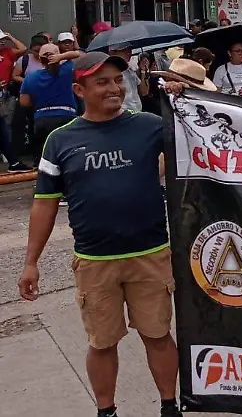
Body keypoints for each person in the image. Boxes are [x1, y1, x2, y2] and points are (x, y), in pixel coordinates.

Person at [19, 52, 182, 417]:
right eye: (102, 82)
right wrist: (31, 262)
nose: (114, 88)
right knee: (102, 342)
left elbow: (203, 133)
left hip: (150, 254)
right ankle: (106, 411)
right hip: (95, 260)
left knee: (157, 335)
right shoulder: (60, 141)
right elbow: (45, 204)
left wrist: (183, 96)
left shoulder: (151, 125)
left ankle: (170, 407)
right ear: (79, 89)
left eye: (117, 80)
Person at [19, 43, 80, 157]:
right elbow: (78, 54)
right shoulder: (67, 69)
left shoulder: (31, 77)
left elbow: (24, 102)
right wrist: (61, 57)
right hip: (66, 116)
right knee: (68, 154)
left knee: (45, 155)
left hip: (41, 119)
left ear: (41, 59)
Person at [0, 29, 32, 172]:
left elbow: (23, 49)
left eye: (2, 39)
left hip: (3, 94)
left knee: (3, 128)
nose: (2, 42)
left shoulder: (7, 52)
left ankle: (13, 162)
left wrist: (10, 37)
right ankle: (13, 162)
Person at [107, 43, 149, 113]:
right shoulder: (110, 72)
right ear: (113, 52)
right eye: (125, 50)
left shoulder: (130, 70)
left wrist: (143, 71)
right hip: (123, 113)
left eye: (130, 50)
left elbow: (144, 92)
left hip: (137, 111)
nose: (129, 53)